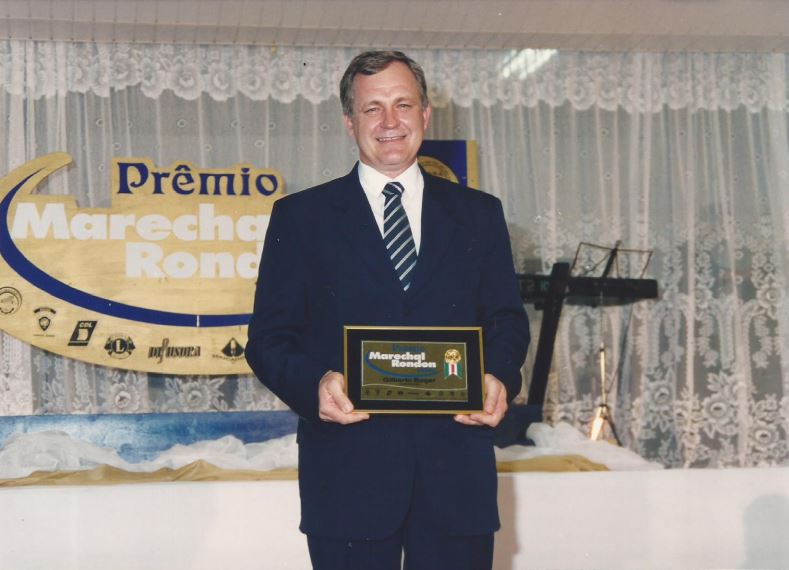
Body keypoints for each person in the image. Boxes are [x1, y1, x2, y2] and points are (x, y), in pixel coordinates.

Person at [246, 50, 529, 570]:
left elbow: (507, 321)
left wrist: (498, 376)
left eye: (403, 104)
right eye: (372, 108)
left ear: (425, 114)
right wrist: (315, 385)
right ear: (349, 122)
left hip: (456, 479)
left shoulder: (480, 215)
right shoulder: (301, 217)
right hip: (347, 481)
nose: (390, 121)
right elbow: (267, 339)